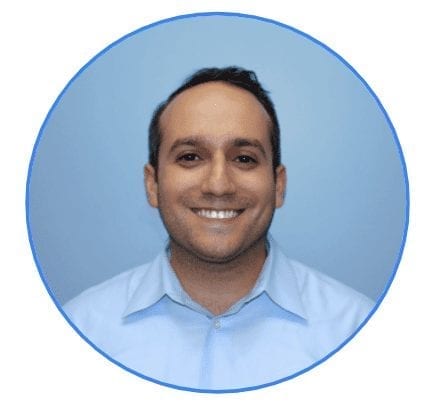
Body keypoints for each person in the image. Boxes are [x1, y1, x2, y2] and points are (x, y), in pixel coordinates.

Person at [64, 66, 374, 390]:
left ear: (278, 185)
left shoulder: (357, 331)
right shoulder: (81, 330)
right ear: (152, 184)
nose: (218, 185)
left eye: (244, 159)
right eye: (190, 157)